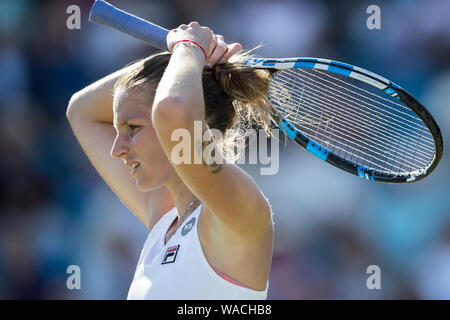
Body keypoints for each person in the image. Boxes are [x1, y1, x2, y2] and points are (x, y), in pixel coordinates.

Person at [66, 22, 276, 299]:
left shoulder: (236, 211)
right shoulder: (164, 222)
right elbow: (81, 110)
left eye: (133, 128)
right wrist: (185, 55)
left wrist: (188, 49)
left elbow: (172, 111)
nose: (117, 149)